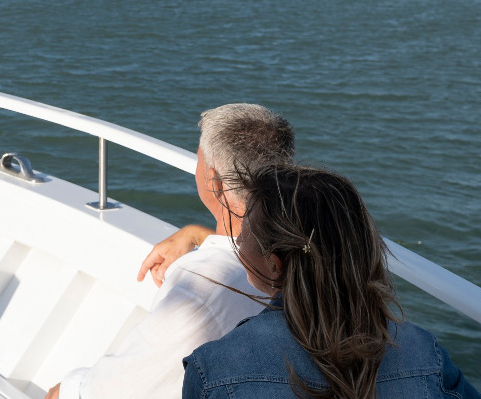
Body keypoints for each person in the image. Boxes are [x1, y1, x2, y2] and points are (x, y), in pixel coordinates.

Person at [47, 104, 295, 399]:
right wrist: (195, 234)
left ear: (214, 183)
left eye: (199, 159)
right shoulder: (305, 251)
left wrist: (59, 391)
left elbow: (100, 392)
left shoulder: (202, 290)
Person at [182, 165, 481, 398]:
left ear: (276, 265)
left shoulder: (216, 366)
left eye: (246, 228)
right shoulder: (424, 353)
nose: (239, 238)